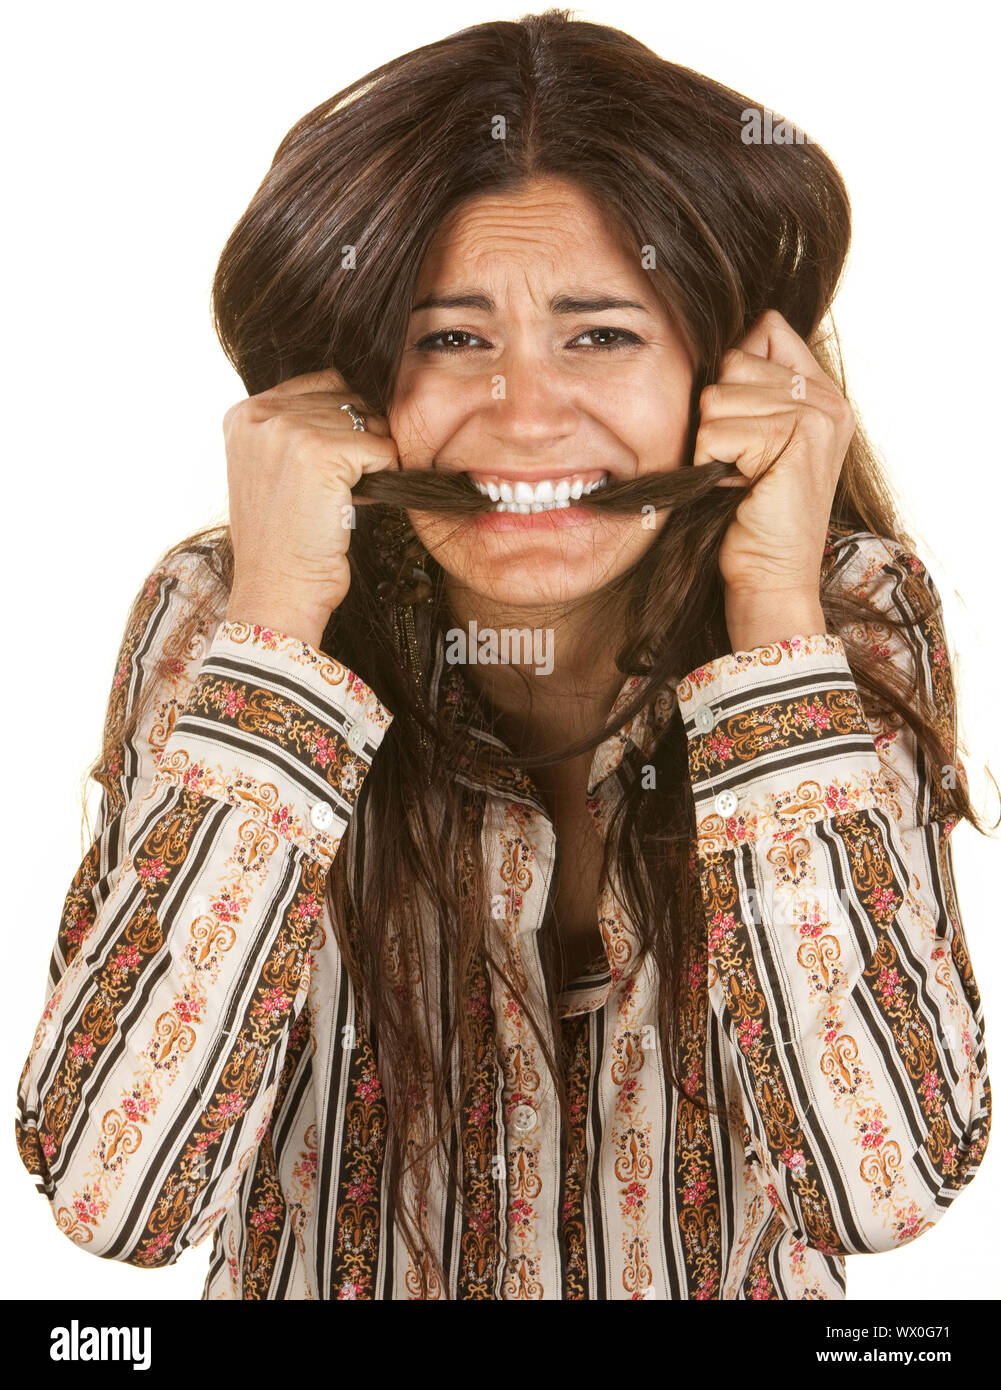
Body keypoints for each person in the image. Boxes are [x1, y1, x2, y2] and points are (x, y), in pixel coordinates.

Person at [15, 8, 991, 1300]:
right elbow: (109, 1193)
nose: (525, 416)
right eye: (450, 338)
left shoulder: (841, 618)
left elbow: (883, 1189)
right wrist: (283, 625)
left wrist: (767, 607)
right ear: (352, 379)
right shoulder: (224, 617)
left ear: (726, 370)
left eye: (600, 334)